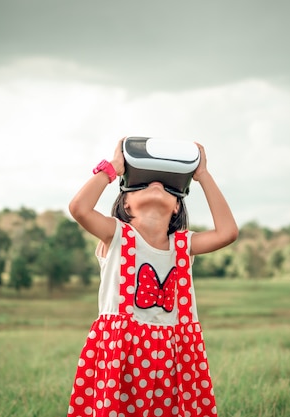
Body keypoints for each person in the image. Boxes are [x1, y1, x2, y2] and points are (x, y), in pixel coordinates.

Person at [66, 138, 238, 417]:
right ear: (127, 205)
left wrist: (203, 175)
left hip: (173, 357)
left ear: (176, 208)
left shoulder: (183, 245)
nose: (155, 184)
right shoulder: (117, 235)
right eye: (143, 184)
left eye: (168, 187)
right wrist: (113, 168)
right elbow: (79, 208)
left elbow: (228, 232)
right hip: (122, 355)